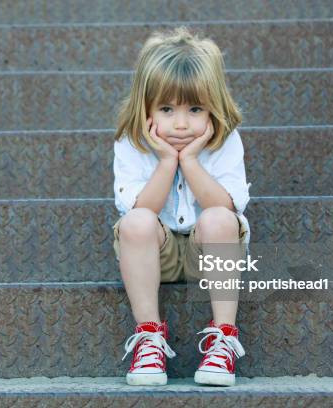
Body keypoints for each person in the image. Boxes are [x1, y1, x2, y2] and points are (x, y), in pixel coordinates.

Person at [112, 26, 252, 387]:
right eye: (166, 108)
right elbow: (139, 207)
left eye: (194, 109)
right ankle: (148, 337)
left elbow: (226, 204)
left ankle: (223, 337)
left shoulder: (225, 141)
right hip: (153, 255)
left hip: (208, 254)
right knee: (136, 222)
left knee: (221, 218)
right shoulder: (132, 142)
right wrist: (165, 161)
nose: (180, 123)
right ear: (146, 109)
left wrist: (189, 160)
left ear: (214, 107)